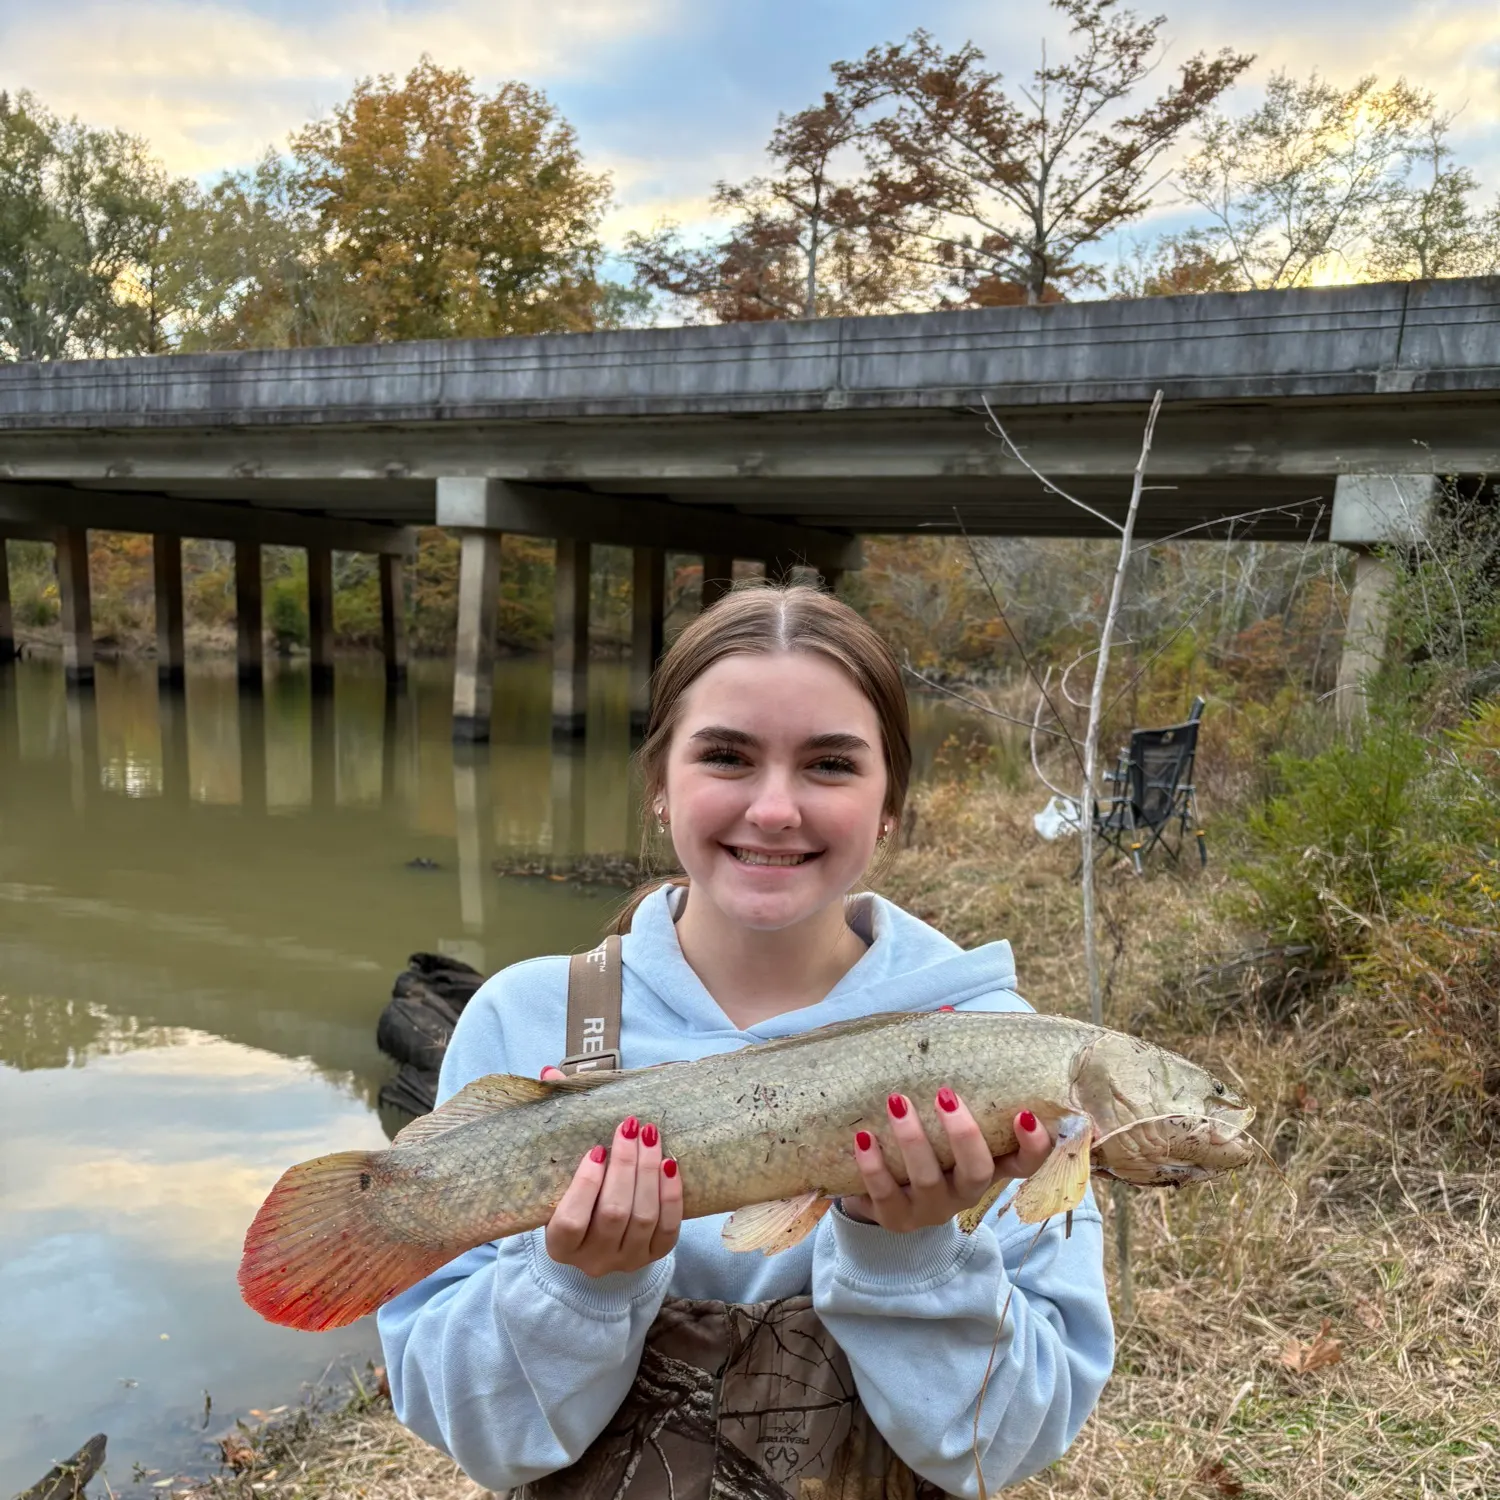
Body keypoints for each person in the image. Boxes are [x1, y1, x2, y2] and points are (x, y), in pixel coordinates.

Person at [378, 583, 1114, 1499]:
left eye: (831, 765)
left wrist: (915, 1256)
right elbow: (478, 1439)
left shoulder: (1002, 1047)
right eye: (726, 756)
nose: (774, 809)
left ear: (892, 801)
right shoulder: (529, 1019)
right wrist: (578, 1287)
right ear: (659, 783)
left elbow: (1005, 1447)